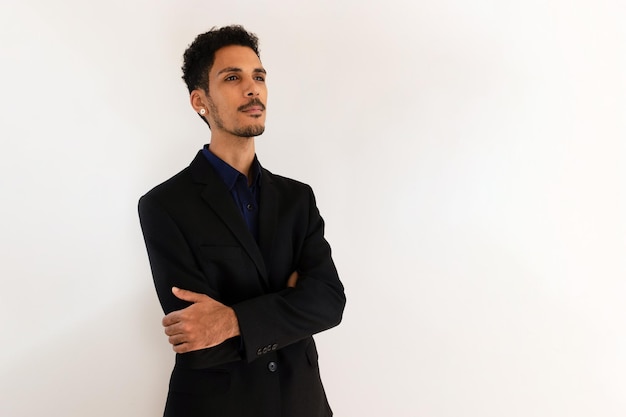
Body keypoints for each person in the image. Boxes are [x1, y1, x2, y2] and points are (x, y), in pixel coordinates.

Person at [138, 25, 346, 417]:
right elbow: (199, 340)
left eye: (259, 77)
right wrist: (289, 306)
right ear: (200, 100)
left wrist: (231, 318)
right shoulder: (164, 205)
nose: (252, 89)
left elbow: (329, 302)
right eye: (232, 77)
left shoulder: (297, 199)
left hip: (301, 403)